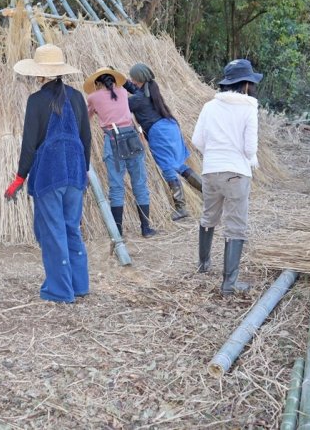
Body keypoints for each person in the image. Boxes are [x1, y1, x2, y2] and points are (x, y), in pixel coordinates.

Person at [4, 44, 92, 303]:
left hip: (49, 174)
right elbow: (86, 139)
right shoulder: (77, 97)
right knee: (71, 228)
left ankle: (59, 291)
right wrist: (82, 172)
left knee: (52, 231)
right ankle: (79, 285)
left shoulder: (36, 101)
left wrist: (20, 177)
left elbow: (29, 143)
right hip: (75, 172)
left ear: (39, 73)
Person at [192, 58, 262, 296]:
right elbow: (250, 149)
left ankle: (203, 264)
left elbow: (197, 141)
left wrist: (215, 154)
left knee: (208, 216)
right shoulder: (249, 108)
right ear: (245, 85)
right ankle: (229, 283)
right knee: (235, 226)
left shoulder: (209, 106)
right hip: (236, 173)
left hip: (210, 170)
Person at [84, 67, 157, 238]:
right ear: (114, 79)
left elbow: (87, 117)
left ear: (97, 83)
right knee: (139, 183)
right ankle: (146, 228)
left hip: (113, 139)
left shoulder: (93, 97)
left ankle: (118, 232)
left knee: (116, 187)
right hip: (132, 137)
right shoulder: (123, 91)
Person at [123, 63, 202, 220]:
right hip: (169, 128)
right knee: (178, 165)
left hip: (159, 133)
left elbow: (124, 105)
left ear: (139, 79)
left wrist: (113, 91)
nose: (131, 80)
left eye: (133, 78)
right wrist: (124, 83)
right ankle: (210, 193)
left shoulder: (139, 98)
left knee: (167, 168)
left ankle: (181, 208)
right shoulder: (150, 88)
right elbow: (135, 90)